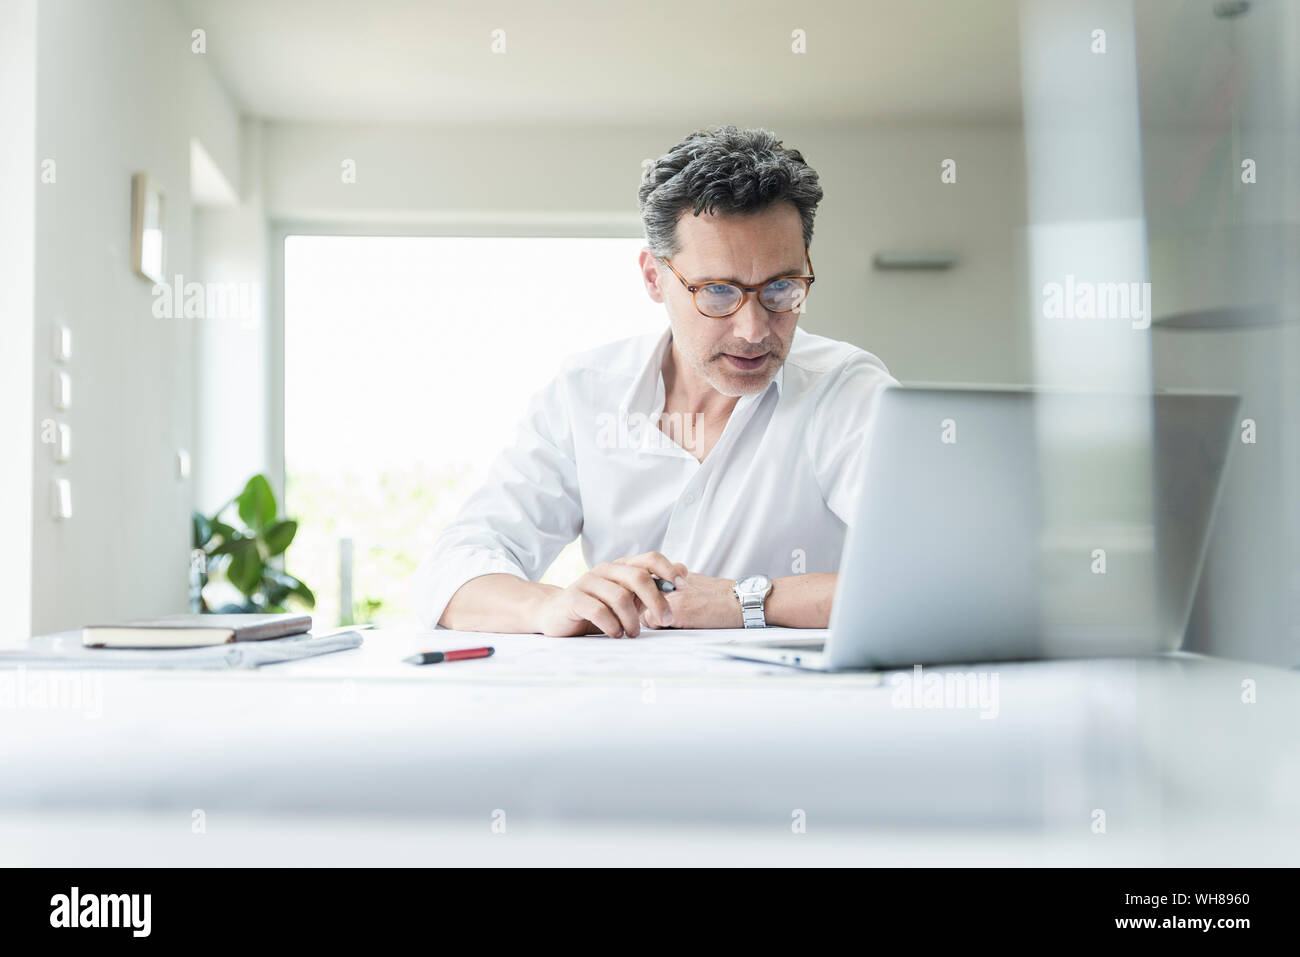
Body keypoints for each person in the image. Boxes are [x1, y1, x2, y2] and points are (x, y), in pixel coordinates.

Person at [414, 125, 897, 637]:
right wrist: (546, 606)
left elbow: (940, 575)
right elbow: (453, 569)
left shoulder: (846, 390)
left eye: (781, 288)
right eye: (716, 291)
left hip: (797, 711)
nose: (754, 330)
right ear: (653, 277)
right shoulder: (584, 392)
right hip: (619, 709)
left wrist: (746, 600)